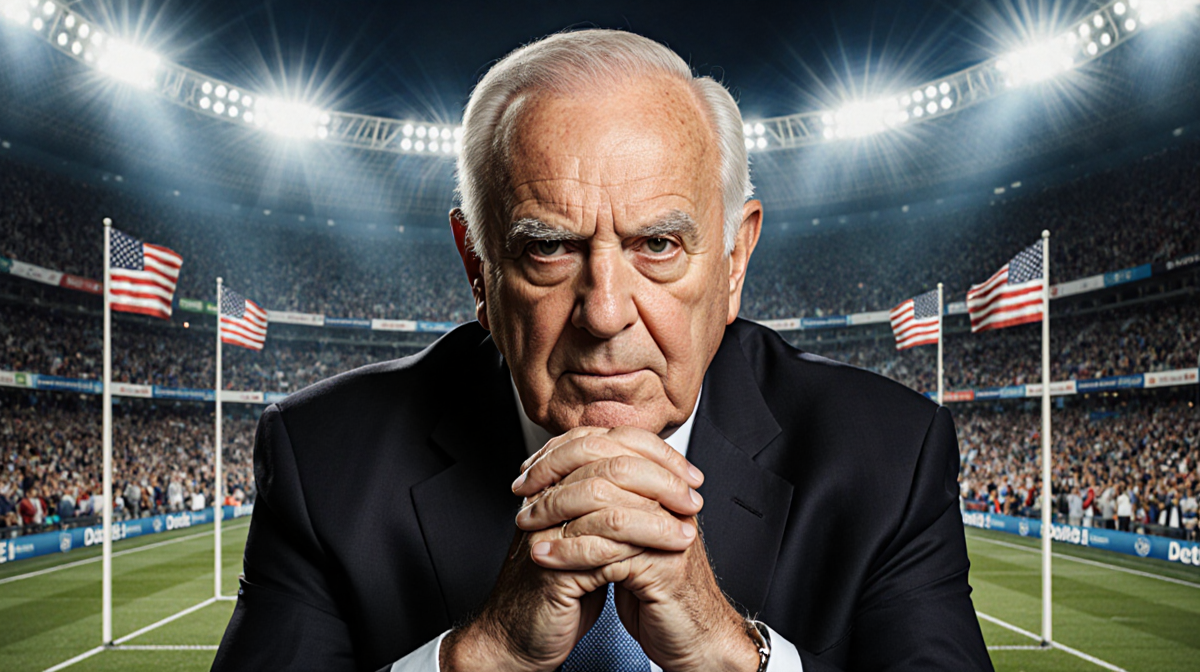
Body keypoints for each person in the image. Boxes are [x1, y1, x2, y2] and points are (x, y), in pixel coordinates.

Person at [214, 29, 992, 672]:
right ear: (477, 269)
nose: (606, 312)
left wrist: (730, 657)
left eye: (658, 244)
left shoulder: (891, 458)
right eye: (549, 248)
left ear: (732, 263)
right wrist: (483, 659)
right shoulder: (324, 461)